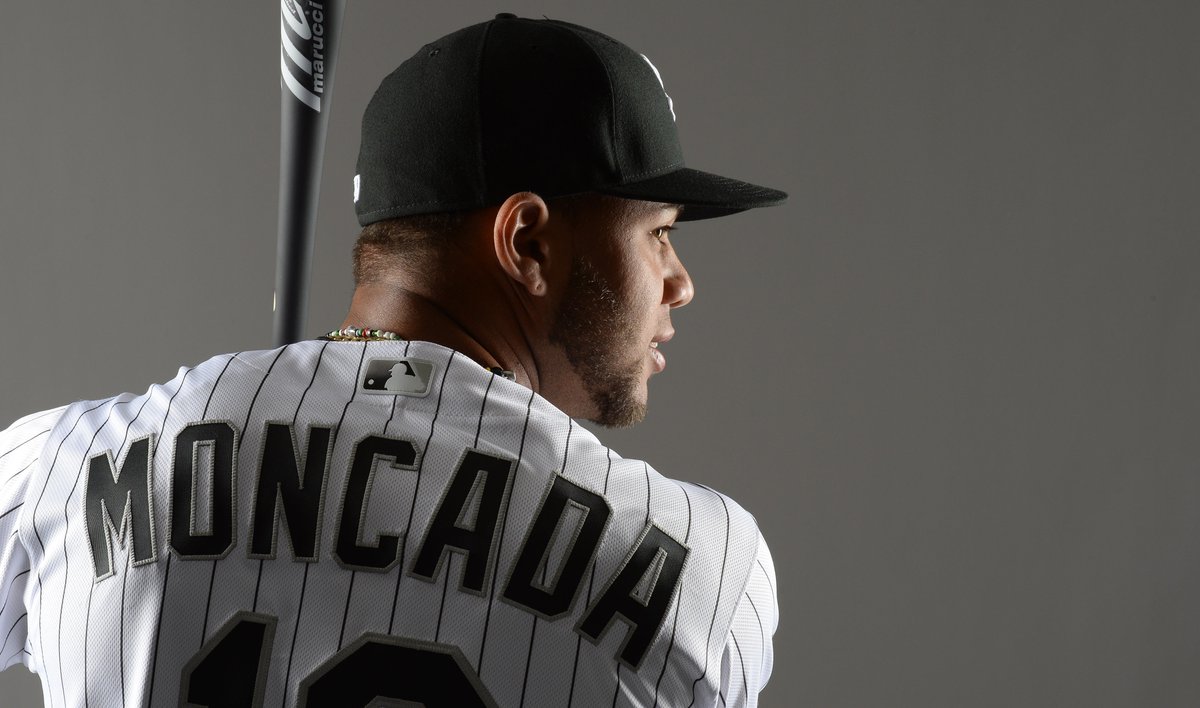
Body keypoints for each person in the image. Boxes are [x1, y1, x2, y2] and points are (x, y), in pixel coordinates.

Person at [0, 14, 784, 707]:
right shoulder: (705, 568)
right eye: (658, 233)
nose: (680, 282)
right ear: (527, 242)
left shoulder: (64, 471)